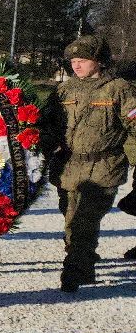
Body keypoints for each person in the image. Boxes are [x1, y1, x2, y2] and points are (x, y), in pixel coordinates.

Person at [47, 35, 136, 292]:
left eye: (83, 60)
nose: (76, 65)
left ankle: (73, 271)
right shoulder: (64, 90)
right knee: (70, 219)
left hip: (103, 168)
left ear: (99, 61)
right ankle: (83, 262)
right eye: (73, 61)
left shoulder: (119, 89)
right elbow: (48, 125)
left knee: (84, 221)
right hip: (68, 168)